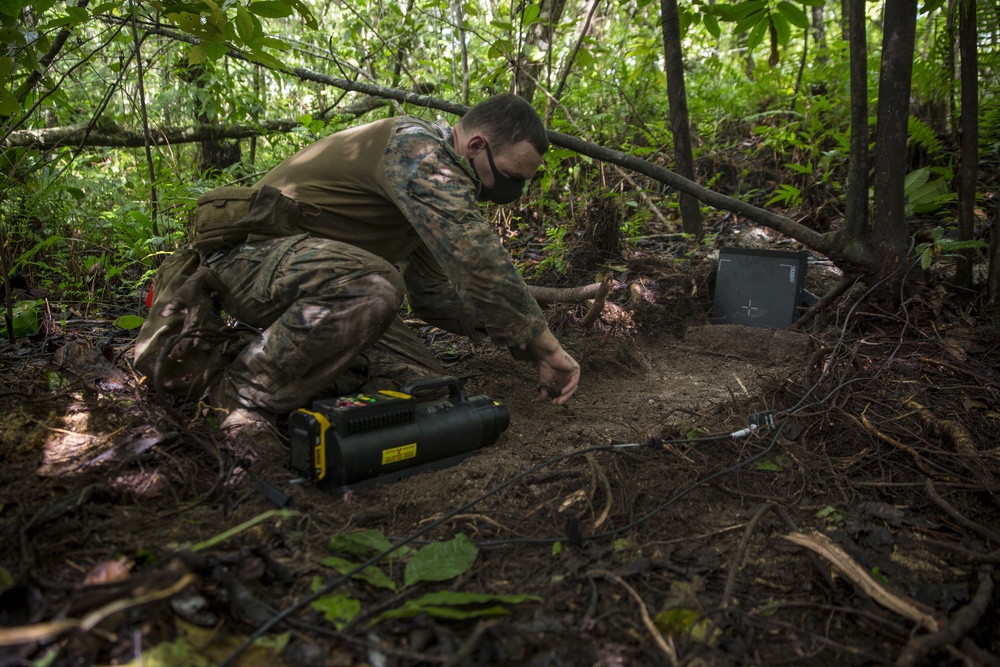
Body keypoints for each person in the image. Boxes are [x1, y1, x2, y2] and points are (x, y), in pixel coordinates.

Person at [195, 93, 581, 435]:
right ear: (476, 145)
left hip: (318, 288)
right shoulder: (419, 152)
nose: (512, 192)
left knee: (431, 391)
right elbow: (478, 261)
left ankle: (272, 364)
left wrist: (521, 341)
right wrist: (546, 344)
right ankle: (239, 400)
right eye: (511, 177)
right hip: (248, 263)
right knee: (377, 283)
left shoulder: (432, 188)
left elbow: (433, 294)